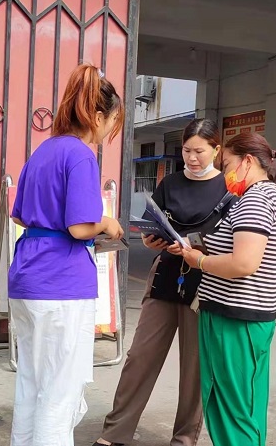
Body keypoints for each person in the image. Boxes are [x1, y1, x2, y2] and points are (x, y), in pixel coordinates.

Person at [95, 119, 236, 446]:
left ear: (216, 150)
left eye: (200, 151)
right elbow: (151, 227)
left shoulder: (229, 188)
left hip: (206, 283)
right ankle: (114, 433)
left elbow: (234, 242)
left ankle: (183, 439)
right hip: (165, 278)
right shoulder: (170, 183)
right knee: (140, 358)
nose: (192, 158)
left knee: (195, 368)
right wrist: (152, 241)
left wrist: (197, 249)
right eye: (186, 151)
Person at [8, 64, 124, 446]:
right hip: (62, 285)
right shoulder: (81, 156)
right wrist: (107, 222)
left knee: (31, 385)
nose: (109, 132)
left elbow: (20, 215)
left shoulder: (42, 151)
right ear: (98, 116)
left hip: (27, 279)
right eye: (112, 122)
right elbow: (79, 227)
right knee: (60, 394)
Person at [176, 132, 276, 446]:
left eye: (227, 164)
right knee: (242, 404)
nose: (225, 173)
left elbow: (244, 263)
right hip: (239, 316)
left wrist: (200, 261)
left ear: (247, 161)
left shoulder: (256, 199)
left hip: (236, 318)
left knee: (233, 408)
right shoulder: (266, 197)